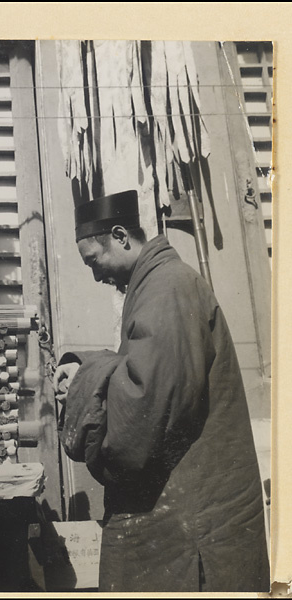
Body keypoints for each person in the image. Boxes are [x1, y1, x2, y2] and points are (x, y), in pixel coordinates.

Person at [53, 190, 270, 593]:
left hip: (194, 524)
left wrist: (86, 379)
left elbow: (144, 405)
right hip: (192, 512)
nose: (96, 276)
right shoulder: (159, 284)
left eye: (93, 261)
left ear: (120, 236)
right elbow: (148, 369)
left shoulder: (167, 288)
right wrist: (91, 365)